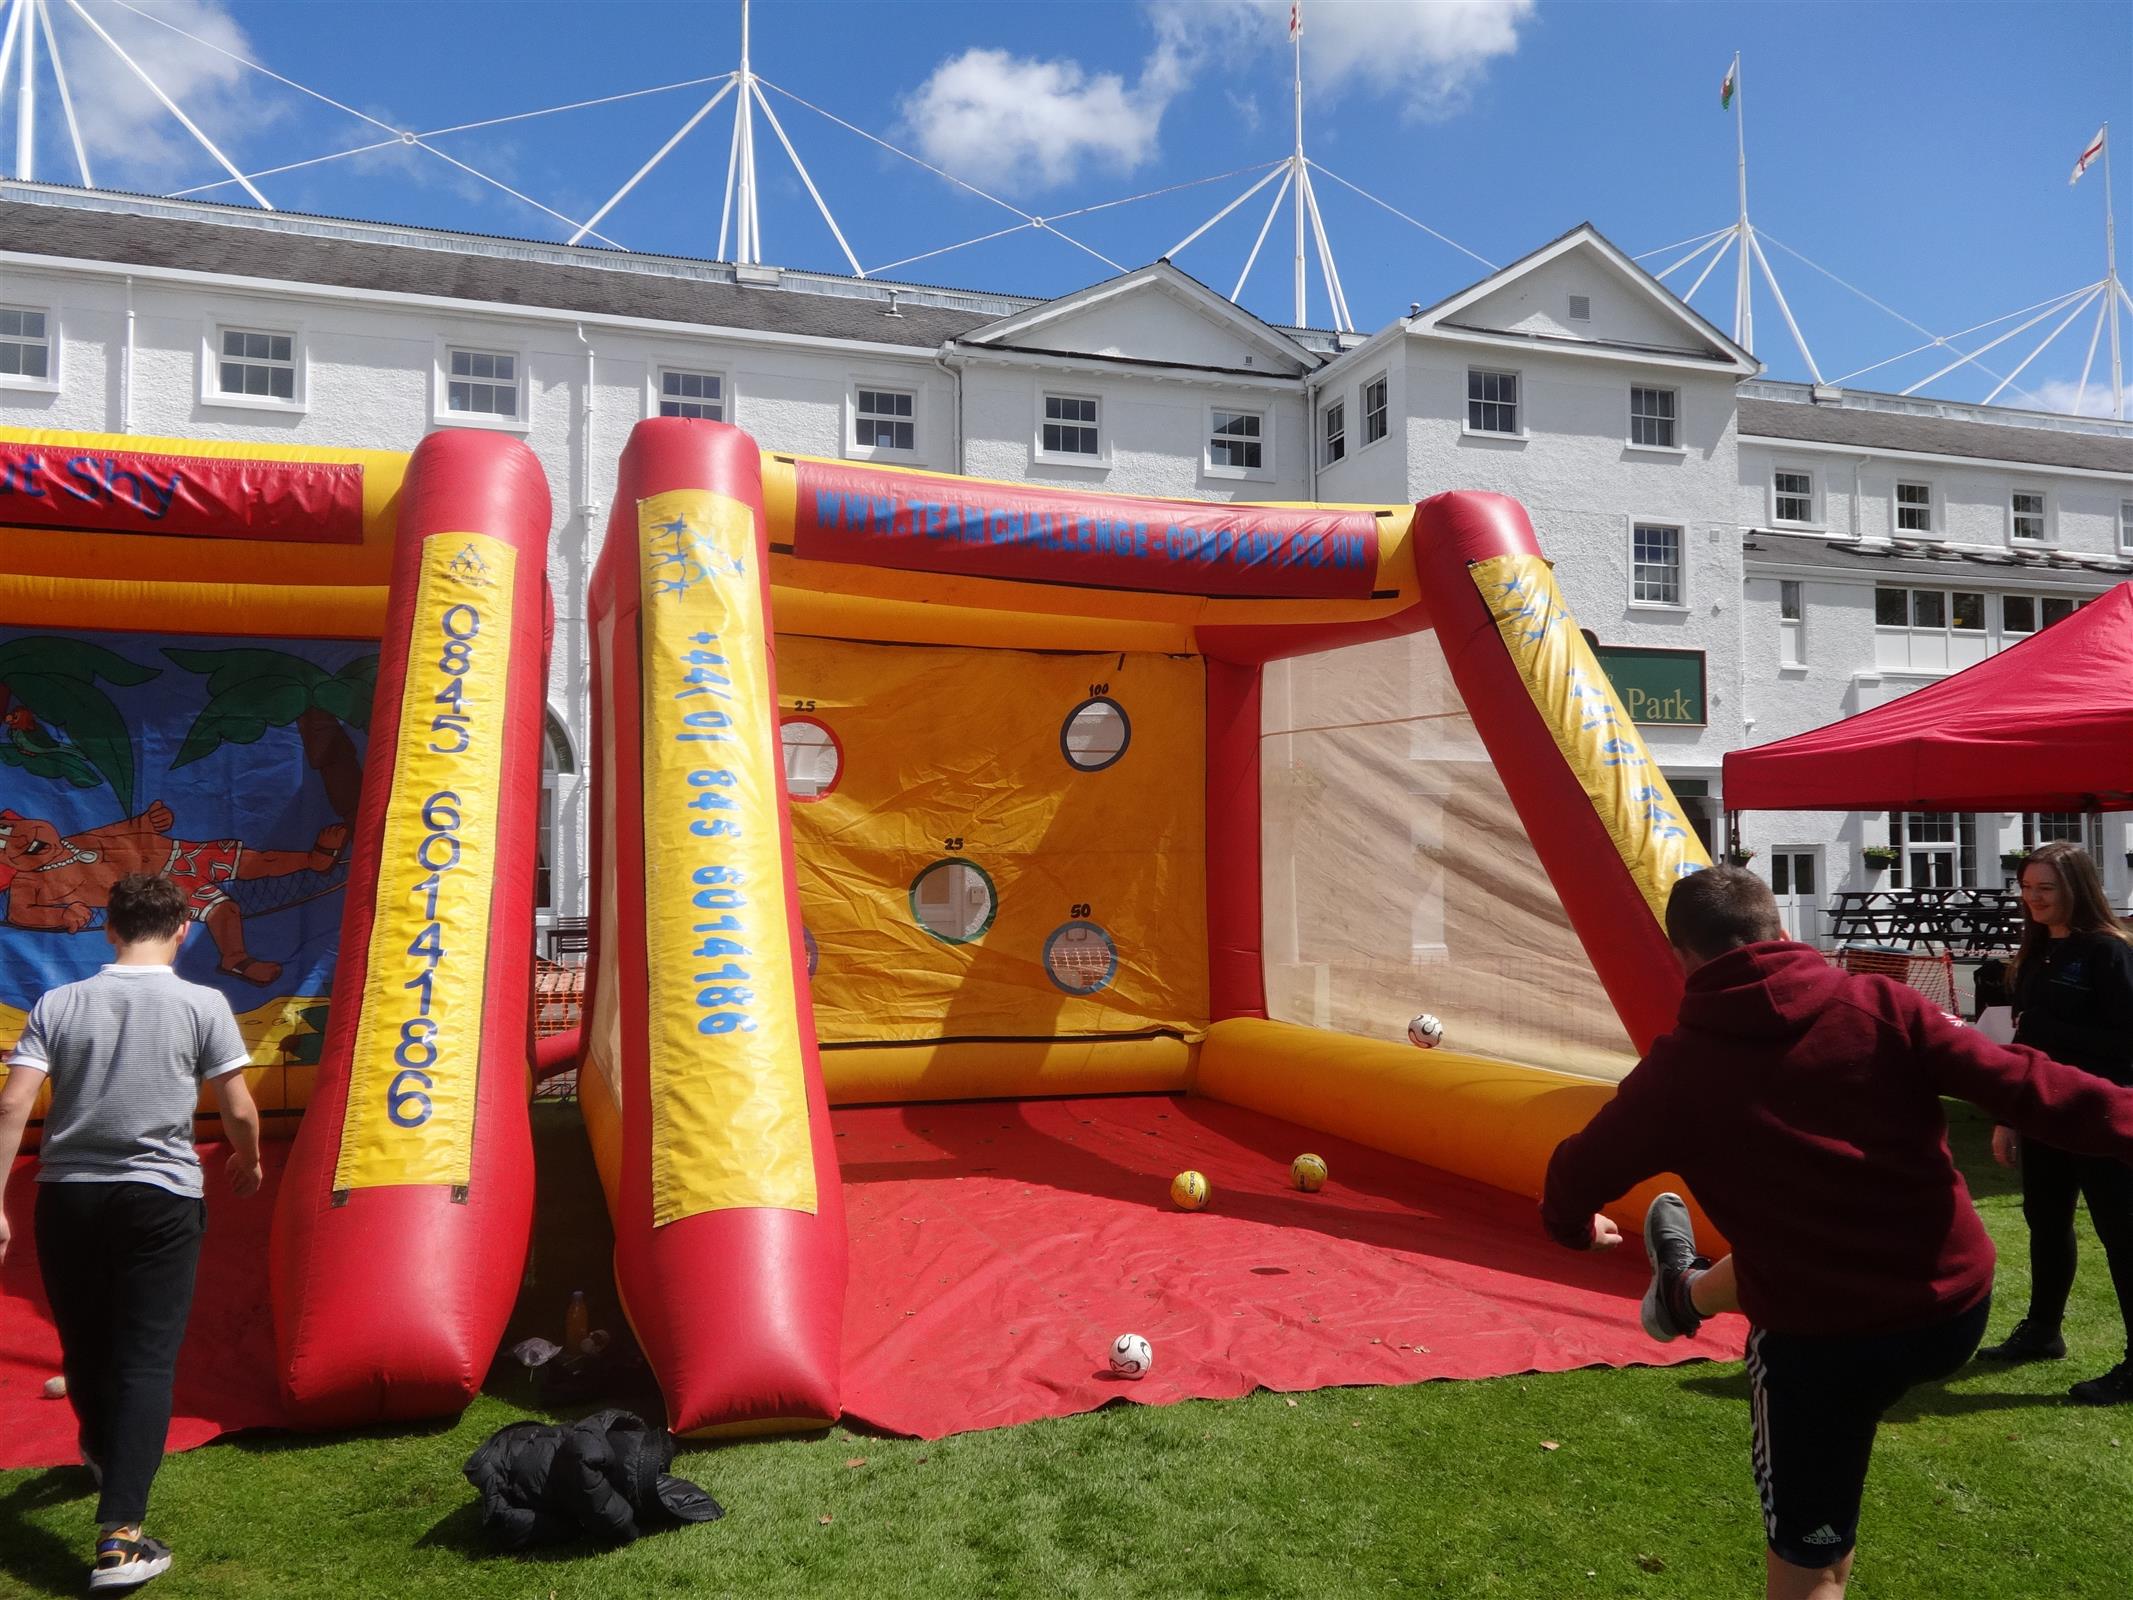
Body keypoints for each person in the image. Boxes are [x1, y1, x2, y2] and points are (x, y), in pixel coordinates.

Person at [1538, 866, 2133, 1600]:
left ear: (1680, 958)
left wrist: (1573, 1228)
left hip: (1822, 1343)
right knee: (1788, 1234)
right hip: (1949, 1312)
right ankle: (1685, 1293)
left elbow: (1572, 1174)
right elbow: (2027, 1082)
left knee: (1812, 1564)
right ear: (1781, 929)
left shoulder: (1674, 1075)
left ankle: (1684, 1294)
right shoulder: (1883, 1004)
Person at [0, 872, 263, 1593]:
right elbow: (237, 1107)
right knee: (145, 1359)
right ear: (183, 929)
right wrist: (249, 1157)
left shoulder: (59, 1002)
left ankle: (99, 1449)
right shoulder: (202, 1003)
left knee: (85, 1345)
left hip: (68, 1199)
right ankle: (121, 1535)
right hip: (159, 1199)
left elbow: (13, 1104)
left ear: (109, 929)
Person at [1976, 841, 2133, 1403]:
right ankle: (2043, 1332)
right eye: (2026, 887)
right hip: (2044, 1112)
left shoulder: (2108, 953)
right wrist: (2007, 1117)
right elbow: (2024, 1044)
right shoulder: (2038, 949)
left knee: (2123, 1237)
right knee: (2046, 1222)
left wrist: (2050, 1030)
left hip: (2100, 1114)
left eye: (2046, 888)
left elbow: (2126, 1044)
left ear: (2077, 889)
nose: (2033, 899)